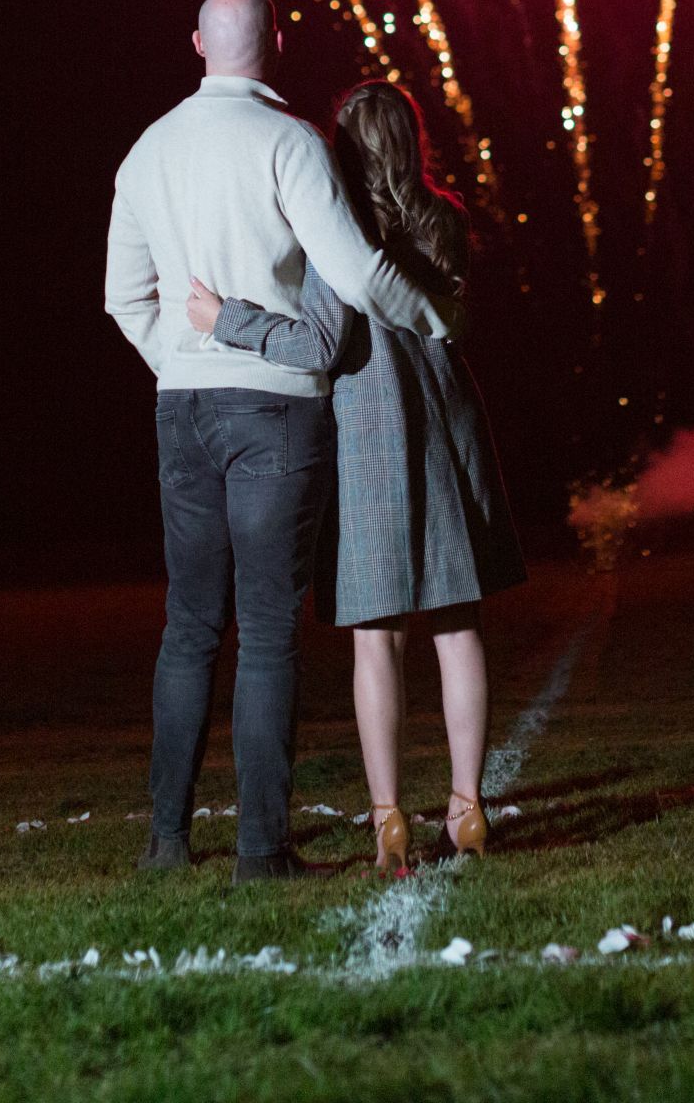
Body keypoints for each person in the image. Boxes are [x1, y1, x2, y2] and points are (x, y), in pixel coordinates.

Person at [103, 0, 454, 882]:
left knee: (189, 625)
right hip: (276, 405)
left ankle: (167, 841)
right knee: (266, 629)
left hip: (183, 402)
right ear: (278, 44)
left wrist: (180, 361)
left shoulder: (146, 149)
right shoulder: (290, 142)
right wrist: (434, 317)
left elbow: (122, 298)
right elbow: (356, 274)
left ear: (197, 43)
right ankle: (261, 850)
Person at [186, 80, 525, 873]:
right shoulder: (446, 220)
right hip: (447, 422)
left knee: (379, 638)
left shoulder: (336, 233)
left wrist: (226, 320)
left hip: (372, 432)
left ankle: (388, 820)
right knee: (457, 624)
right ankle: (468, 808)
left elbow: (321, 344)